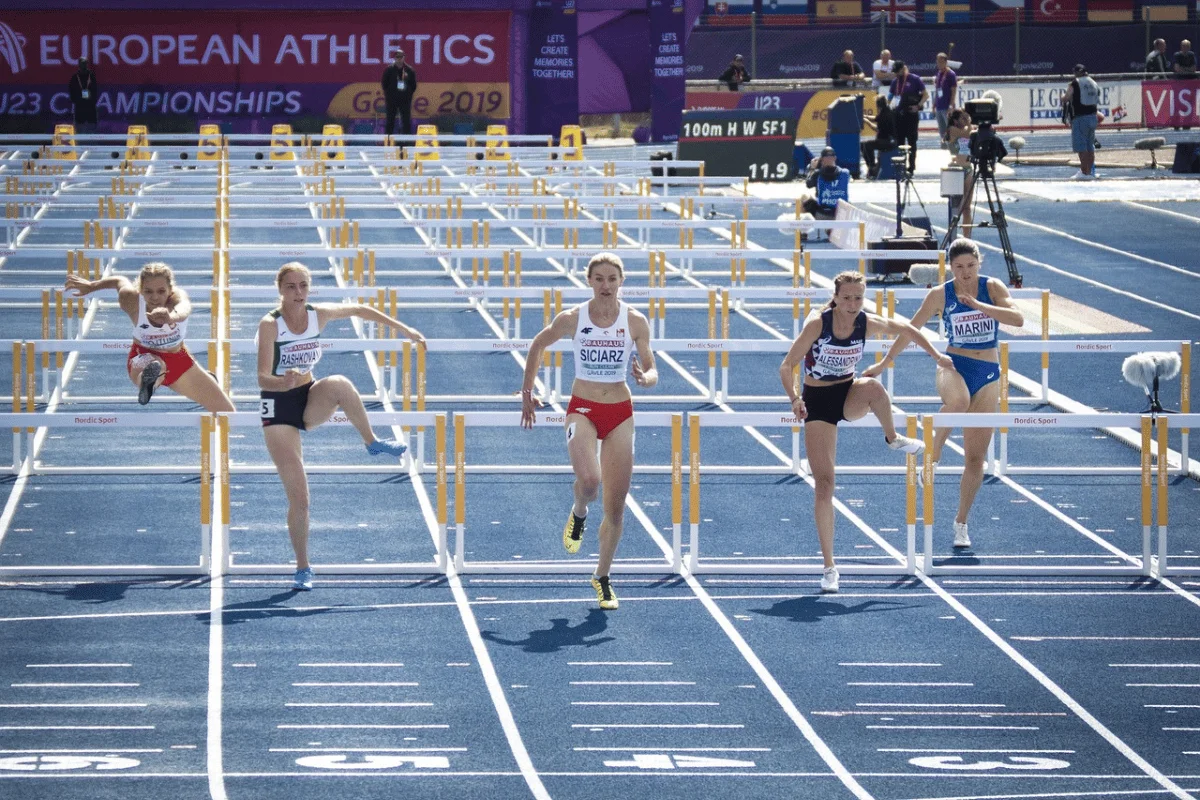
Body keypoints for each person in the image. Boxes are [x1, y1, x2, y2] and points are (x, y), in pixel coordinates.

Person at [779, 271, 954, 593]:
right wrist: (794, 399)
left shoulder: (866, 322)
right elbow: (786, 365)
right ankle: (830, 567)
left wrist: (937, 356)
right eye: (846, 298)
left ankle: (892, 439)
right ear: (835, 297)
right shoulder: (818, 324)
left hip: (848, 395)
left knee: (873, 386)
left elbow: (907, 328)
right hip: (817, 403)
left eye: (858, 298)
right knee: (825, 484)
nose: (852, 304)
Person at [257, 262, 424, 591]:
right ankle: (303, 566)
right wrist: (282, 380)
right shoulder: (270, 325)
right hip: (277, 406)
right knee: (301, 499)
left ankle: (372, 442)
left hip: (307, 395)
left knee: (341, 384)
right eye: (291, 287)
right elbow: (261, 377)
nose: (298, 293)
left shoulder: (319, 314)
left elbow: (361, 309)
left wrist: (404, 330)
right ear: (280, 290)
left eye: (303, 286)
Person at [520, 252, 658, 611]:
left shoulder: (635, 321)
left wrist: (647, 378)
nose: (606, 285)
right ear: (590, 281)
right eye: (599, 278)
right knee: (590, 481)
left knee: (615, 507)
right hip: (582, 407)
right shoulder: (572, 318)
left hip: (620, 412)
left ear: (621, 282)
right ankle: (579, 509)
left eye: (612, 279)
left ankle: (602, 577)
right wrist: (527, 392)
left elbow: (651, 366)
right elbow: (537, 344)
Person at [876, 239, 1024, 550]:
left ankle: (961, 523)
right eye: (959, 267)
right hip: (953, 365)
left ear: (978, 263)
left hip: (987, 374)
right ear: (950, 268)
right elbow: (911, 328)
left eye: (971, 266)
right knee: (958, 402)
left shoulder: (992, 286)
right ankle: (932, 456)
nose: (966, 273)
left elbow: (1018, 320)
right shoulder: (939, 294)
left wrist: (981, 306)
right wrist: (885, 362)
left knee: (975, 459)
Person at [64, 263, 234, 413]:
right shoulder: (131, 299)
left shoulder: (177, 298)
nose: (154, 297)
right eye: (148, 291)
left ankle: (189, 379)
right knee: (156, 365)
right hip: (142, 356)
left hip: (180, 361)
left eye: (161, 291)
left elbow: (185, 309)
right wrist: (92, 286)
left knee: (227, 412)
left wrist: (170, 317)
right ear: (140, 290)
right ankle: (147, 384)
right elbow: (119, 281)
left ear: (170, 290)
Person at [889, 60, 928, 174]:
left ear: (903, 69)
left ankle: (911, 166)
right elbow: (890, 97)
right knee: (899, 141)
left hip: (911, 115)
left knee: (912, 141)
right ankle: (901, 166)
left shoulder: (915, 79)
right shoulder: (895, 82)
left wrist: (918, 106)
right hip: (899, 116)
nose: (896, 74)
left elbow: (925, 95)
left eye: (897, 71)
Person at [1062, 64, 1100, 179]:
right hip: (1093, 116)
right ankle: (1090, 172)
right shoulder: (1093, 82)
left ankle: (1084, 172)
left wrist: (1061, 96)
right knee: (1090, 146)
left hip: (1080, 118)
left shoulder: (1075, 83)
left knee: (1081, 147)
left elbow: (1066, 98)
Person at [944, 108, 975, 235]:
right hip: (956, 171)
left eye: (965, 118)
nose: (965, 120)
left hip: (968, 169)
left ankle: (967, 237)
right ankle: (952, 235)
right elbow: (967, 134)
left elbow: (970, 134)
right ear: (955, 120)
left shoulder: (966, 129)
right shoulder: (952, 130)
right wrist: (969, 122)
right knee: (955, 208)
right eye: (962, 118)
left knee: (967, 208)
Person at [801, 146, 850, 222]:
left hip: (822, 213)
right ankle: (831, 230)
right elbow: (833, 173)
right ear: (835, 158)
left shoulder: (818, 174)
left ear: (822, 160)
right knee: (847, 201)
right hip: (840, 214)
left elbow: (808, 184)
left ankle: (802, 233)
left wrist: (812, 169)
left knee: (804, 197)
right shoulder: (845, 173)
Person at [381, 50, 418, 137]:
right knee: (390, 121)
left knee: (406, 121)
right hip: (392, 100)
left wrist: (407, 94)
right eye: (397, 57)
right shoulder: (389, 70)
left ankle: (406, 143)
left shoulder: (409, 70)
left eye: (401, 57)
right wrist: (390, 94)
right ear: (394, 58)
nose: (399, 59)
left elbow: (413, 85)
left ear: (404, 58)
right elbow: (384, 84)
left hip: (405, 100)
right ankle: (388, 142)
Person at [860, 95, 897, 179]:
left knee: (865, 145)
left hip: (887, 141)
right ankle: (873, 166)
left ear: (878, 106)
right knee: (869, 144)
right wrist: (865, 117)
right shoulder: (887, 111)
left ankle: (872, 166)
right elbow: (876, 118)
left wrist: (867, 121)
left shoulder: (884, 115)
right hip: (890, 140)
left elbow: (876, 128)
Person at [934, 52, 959, 147]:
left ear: (945, 62)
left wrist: (950, 105)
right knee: (942, 132)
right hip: (939, 107)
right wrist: (934, 105)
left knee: (951, 130)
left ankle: (954, 151)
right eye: (937, 61)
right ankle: (944, 150)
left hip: (947, 106)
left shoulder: (951, 74)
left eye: (940, 61)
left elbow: (954, 90)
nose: (938, 63)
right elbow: (937, 90)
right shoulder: (939, 73)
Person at [67, 57, 98, 131]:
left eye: (85, 63)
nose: (83, 65)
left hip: (90, 107)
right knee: (79, 128)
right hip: (79, 107)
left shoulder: (91, 76)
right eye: (82, 63)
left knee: (91, 128)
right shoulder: (75, 77)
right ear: (79, 65)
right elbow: (72, 91)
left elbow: (95, 91)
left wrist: (91, 98)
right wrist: (78, 99)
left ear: (87, 64)